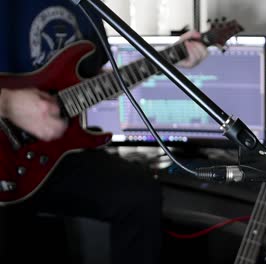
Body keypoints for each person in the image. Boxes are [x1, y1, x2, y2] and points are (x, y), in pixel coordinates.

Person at [0, 1, 208, 263]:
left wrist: (169, 58)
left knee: (139, 194)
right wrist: (7, 103)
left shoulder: (86, 7)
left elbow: (91, 80)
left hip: (53, 158)